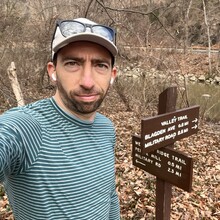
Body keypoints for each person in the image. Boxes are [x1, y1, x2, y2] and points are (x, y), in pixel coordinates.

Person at [0, 17, 120, 219]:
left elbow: (108, 195)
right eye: (73, 63)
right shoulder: (27, 127)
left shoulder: (106, 128)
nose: (87, 82)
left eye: (100, 65)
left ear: (112, 74)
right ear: (53, 71)